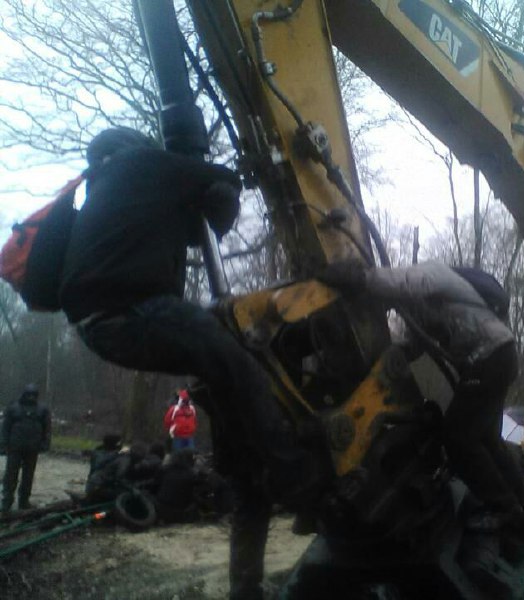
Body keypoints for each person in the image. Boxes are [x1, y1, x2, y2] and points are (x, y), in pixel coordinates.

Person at [58, 127, 324, 599]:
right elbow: (221, 179)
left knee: (246, 485)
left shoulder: (105, 198)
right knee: (227, 353)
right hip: (132, 310)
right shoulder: (140, 166)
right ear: (134, 148)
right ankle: (298, 478)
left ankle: (246, 587)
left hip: (97, 327)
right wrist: (207, 188)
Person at [318, 260, 524, 540]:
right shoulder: (426, 309)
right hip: (498, 357)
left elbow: (405, 282)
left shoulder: (435, 274)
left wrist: (360, 277)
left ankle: (503, 509)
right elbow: (420, 344)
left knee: (457, 437)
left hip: (489, 358)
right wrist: (390, 359)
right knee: (488, 440)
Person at [1, 384, 51, 512]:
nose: (30, 397)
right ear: (24, 394)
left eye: (33, 395)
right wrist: (3, 444)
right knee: (10, 475)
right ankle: (7, 501)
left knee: (28, 476)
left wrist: (46, 443)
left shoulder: (42, 409)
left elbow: (47, 428)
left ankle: (24, 501)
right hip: (15, 447)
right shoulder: (13, 408)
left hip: (32, 448)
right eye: (28, 394)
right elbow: (5, 427)